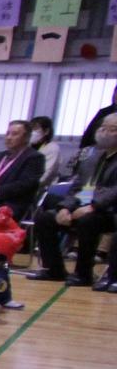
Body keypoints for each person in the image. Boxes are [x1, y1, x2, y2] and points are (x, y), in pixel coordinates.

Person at [28, 113, 117, 286]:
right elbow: (78, 187)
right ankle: (54, 269)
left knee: (87, 221)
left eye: (112, 129)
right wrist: (66, 208)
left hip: (109, 211)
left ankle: (83, 274)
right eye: (102, 127)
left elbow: (114, 191)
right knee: (45, 218)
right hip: (83, 207)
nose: (104, 132)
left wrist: (92, 206)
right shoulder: (92, 157)